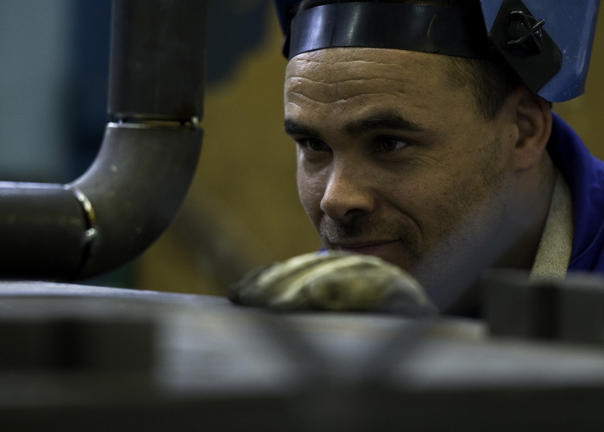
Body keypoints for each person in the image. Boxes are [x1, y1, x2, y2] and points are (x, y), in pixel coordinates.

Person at [229, 0, 603, 316]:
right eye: (314, 145)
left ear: (523, 131)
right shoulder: (319, 313)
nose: (336, 199)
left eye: (390, 144)